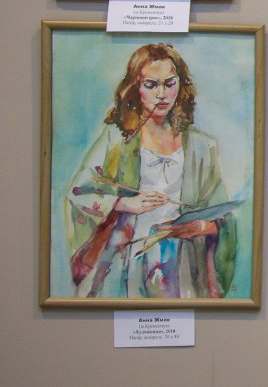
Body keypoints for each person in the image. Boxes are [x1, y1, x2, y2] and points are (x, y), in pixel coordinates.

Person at [65, 44, 235, 299]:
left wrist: (200, 226)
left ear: (181, 85)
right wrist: (124, 203)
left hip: (182, 264)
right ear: (136, 88)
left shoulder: (202, 147)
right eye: (151, 85)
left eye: (169, 83)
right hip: (125, 260)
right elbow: (79, 193)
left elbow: (223, 216)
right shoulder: (117, 140)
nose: (162, 94)